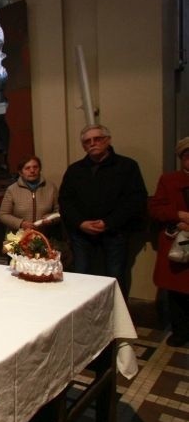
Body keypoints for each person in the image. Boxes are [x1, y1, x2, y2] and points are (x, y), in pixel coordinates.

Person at [59, 124, 147, 298]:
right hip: (82, 234)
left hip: (115, 232)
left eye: (97, 139)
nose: (92, 143)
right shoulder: (75, 170)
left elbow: (135, 200)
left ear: (107, 140)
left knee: (115, 277)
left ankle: (116, 321)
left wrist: (109, 223)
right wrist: (80, 223)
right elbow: (65, 201)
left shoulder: (127, 166)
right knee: (81, 277)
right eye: (87, 141)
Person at [149, 137, 189, 347]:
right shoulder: (169, 180)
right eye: (187, 155)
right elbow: (156, 209)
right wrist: (179, 216)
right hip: (178, 245)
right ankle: (179, 331)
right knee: (176, 293)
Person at [0, 156, 60, 234]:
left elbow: (59, 211)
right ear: (20, 172)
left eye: (35, 167)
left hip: (45, 236)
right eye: (27, 168)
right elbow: (3, 215)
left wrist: (51, 219)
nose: (32, 170)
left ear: (40, 169)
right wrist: (21, 223)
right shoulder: (12, 190)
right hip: (19, 237)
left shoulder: (51, 187)